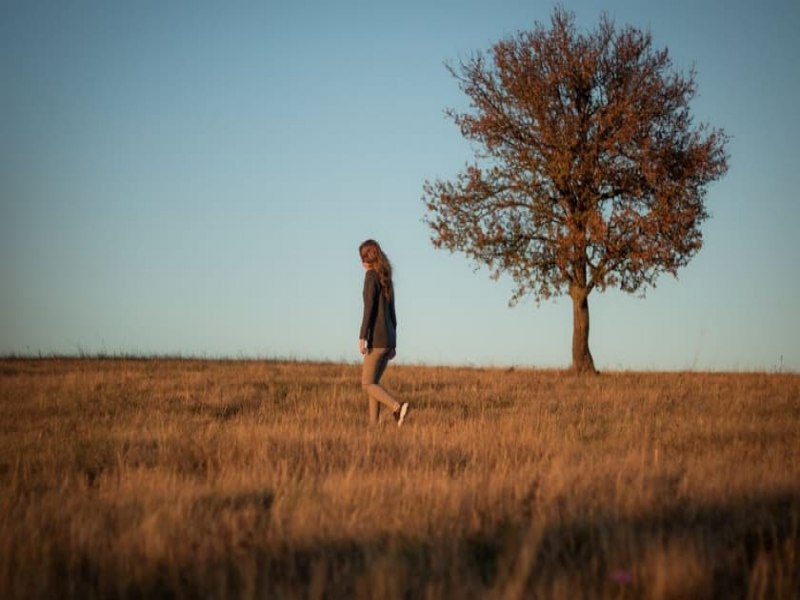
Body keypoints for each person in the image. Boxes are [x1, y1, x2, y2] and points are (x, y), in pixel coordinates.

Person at [358, 239, 409, 426]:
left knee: (367, 384)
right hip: (388, 339)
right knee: (374, 384)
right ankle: (373, 428)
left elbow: (369, 309)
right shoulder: (385, 277)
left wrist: (362, 336)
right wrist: (394, 343)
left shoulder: (371, 276)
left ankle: (397, 407)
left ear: (365, 259)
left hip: (377, 340)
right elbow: (393, 313)